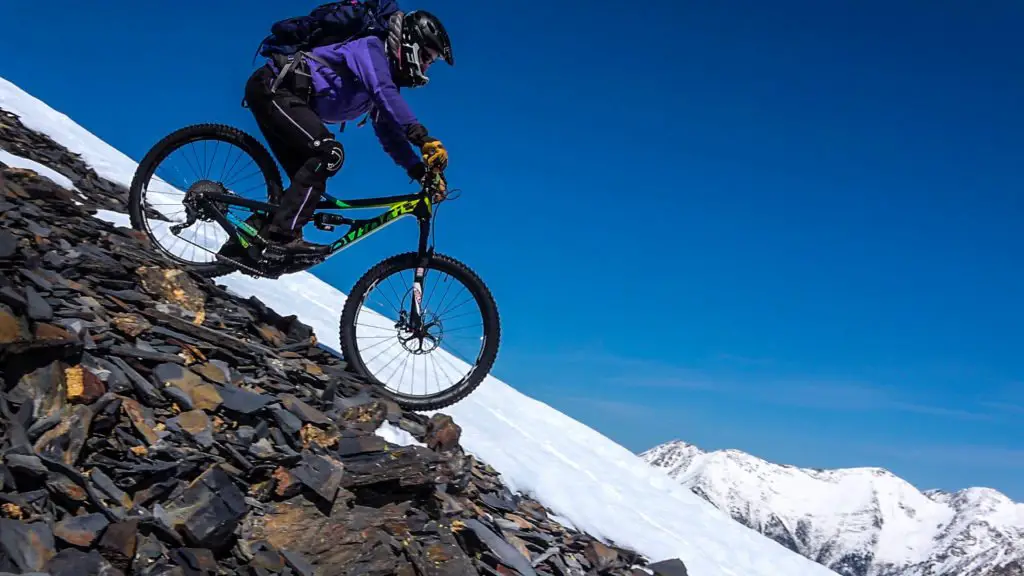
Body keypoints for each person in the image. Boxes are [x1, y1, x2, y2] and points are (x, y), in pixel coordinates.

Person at [219, 9, 453, 261]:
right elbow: (382, 90)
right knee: (328, 153)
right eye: (428, 57)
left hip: (286, 100)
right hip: (273, 89)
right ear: (410, 43)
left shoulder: (385, 77)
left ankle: (242, 250)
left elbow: (389, 134)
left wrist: (418, 171)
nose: (427, 66)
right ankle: (282, 239)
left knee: (306, 184)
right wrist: (421, 137)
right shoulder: (371, 48)